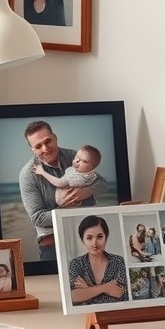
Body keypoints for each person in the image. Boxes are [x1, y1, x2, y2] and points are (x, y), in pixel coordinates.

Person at [19, 121, 106, 261]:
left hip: (88, 232)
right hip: (52, 239)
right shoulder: (27, 175)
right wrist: (66, 210)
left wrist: (84, 192)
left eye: (48, 141)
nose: (45, 148)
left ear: (55, 137)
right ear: (32, 150)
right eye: (38, 146)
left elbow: (102, 184)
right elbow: (37, 218)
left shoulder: (74, 157)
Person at [68, 215, 128, 306]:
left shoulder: (118, 261)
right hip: (85, 315)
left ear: (106, 238)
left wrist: (87, 290)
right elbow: (74, 296)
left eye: (99, 237)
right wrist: (106, 288)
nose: (94, 243)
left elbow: (120, 294)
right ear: (82, 240)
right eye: (89, 238)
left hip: (115, 314)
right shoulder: (76, 263)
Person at [33, 145, 101, 196]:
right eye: (76, 157)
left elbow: (59, 183)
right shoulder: (88, 173)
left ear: (92, 167)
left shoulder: (78, 178)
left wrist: (42, 172)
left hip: (67, 205)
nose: (77, 161)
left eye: (84, 161)